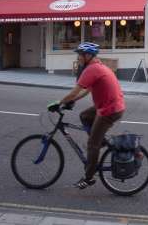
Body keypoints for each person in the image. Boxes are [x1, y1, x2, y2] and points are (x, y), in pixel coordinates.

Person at [57, 42, 125, 189]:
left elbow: (75, 91)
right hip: (111, 105)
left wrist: (59, 103)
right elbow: (86, 91)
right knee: (84, 116)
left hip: (109, 109)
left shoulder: (92, 69)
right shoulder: (97, 66)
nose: (78, 58)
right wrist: (72, 101)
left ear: (88, 56)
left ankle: (89, 178)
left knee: (92, 145)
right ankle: (100, 141)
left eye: (80, 55)